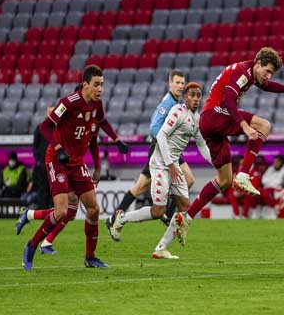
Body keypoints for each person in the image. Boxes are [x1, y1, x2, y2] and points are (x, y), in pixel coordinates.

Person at [171, 47, 284, 243]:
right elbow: (229, 100)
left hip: (210, 123)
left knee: (224, 180)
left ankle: (186, 218)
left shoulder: (253, 74)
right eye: (267, 71)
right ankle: (245, 173)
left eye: (271, 73)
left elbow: (267, 86)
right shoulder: (243, 72)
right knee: (264, 125)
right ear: (258, 64)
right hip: (215, 114)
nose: (268, 76)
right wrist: (245, 126)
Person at [20, 65, 124, 270]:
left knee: (94, 209)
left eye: (102, 85)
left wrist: (117, 139)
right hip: (57, 160)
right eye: (96, 85)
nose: (100, 89)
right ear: (85, 85)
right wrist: (58, 147)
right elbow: (45, 127)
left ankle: (90, 257)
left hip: (77, 162)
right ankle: (32, 245)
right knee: (60, 212)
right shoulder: (68, 102)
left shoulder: (97, 105)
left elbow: (102, 123)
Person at [111, 83, 210, 258]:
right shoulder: (177, 112)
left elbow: (202, 145)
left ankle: (160, 248)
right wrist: (171, 164)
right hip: (160, 164)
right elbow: (162, 135)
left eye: (198, 95)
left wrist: (218, 164)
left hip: (173, 165)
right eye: (192, 95)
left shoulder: (196, 119)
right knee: (158, 211)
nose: (195, 99)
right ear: (185, 97)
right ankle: (121, 219)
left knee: (184, 207)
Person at [106, 70, 194, 240]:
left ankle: (166, 214)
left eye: (182, 83)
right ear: (170, 83)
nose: (180, 86)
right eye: (177, 82)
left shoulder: (175, 103)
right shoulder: (167, 102)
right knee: (141, 186)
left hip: (170, 150)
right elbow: (154, 127)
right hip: (161, 150)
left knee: (187, 179)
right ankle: (114, 218)